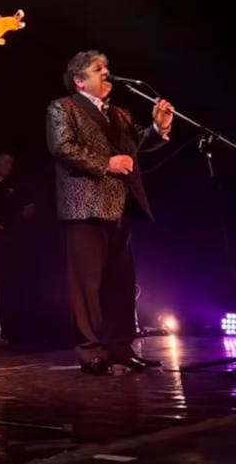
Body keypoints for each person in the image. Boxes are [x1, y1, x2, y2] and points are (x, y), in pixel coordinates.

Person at [46, 50, 174, 376]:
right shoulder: (63, 107)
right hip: (84, 207)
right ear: (79, 80)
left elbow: (135, 148)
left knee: (121, 283)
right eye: (97, 69)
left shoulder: (119, 113)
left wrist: (157, 128)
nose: (106, 73)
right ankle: (91, 352)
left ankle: (121, 349)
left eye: (106, 68)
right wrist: (106, 163)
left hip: (118, 205)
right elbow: (63, 148)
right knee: (86, 286)